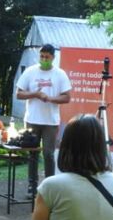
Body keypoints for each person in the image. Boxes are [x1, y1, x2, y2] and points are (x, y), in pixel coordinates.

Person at [15, 43, 72, 196]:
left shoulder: (60, 74)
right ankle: (31, 187)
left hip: (51, 121)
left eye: (47, 57)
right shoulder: (30, 71)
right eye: (41, 56)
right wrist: (35, 94)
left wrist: (50, 98)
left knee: (48, 154)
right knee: (32, 153)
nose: (43, 59)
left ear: (53, 57)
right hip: (32, 119)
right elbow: (19, 94)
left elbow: (67, 97)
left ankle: (49, 187)